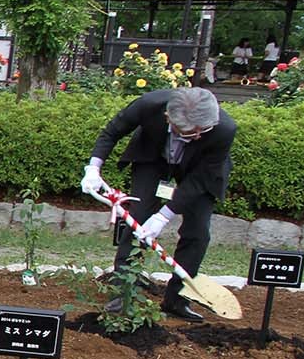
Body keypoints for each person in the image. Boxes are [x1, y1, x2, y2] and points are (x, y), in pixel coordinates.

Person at [80, 87, 236, 322]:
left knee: (198, 231)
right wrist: (93, 168)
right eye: (191, 133)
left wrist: (164, 215)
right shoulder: (150, 104)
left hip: (199, 172)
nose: (198, 136)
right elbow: (112, 132)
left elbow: (199, 181)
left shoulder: (223, 129)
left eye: (202, 131)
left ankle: (177, 299)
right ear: (168, 118)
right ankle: (123, 293)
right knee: (139, 219)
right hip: (153, 159)